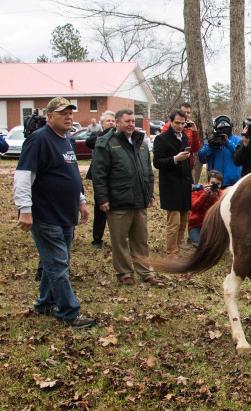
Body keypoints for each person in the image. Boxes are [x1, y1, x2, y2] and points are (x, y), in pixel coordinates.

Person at [13, 97, 95, 328]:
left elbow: (71, 176)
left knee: (58, 262)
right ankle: (69, 312)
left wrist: (81, 200)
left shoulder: (66, 140)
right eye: (63, 113)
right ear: (49, 117)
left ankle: (44, 303)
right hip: (45, 214)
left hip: (66, 214)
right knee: (58, 264)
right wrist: (25, 210)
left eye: (70, 113)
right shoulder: (38, 140)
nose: (69, 117)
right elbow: (23, 177)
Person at [91, 109, 160, 286]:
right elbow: (99, 174)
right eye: (127, 121)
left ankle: (145, 272)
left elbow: (148, 172)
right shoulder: (106, 143)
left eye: (132, 121)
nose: (131, 124)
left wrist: (149, 193)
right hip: (118, 201)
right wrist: (103, 199)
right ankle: (124, 273)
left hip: (139, 201)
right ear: (117, 122)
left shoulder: (141, 142)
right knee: (120, 240)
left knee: (141, 240)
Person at [153, 110, 193, 256]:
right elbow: (157, 162)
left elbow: (188, 163)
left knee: (184, 220)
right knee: (174, 222)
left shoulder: (184, 138)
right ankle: (171, 252)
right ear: (170, 121)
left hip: (184, 184)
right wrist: (175, 159)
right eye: (177, 123)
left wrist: (191, 182)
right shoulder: (161, 139)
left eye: (183, 123)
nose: (180, 126)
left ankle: (180, 245)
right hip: (170, 186)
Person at [84, 110, 115, 249]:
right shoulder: (98, 136)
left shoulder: (118, 137)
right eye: (108, 121)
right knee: (100, 209)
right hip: (101, 178)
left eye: (113, 121)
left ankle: (117, 238)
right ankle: (97, 239)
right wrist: (104, 135)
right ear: (102, 124)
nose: (111, 123)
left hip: (115, 178)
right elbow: (88, 142)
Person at [160, 102, 202, 182]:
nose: (186, 115)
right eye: (184, 112)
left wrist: (194, 132)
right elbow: (164, 145)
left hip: (188, 166)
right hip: (173, 167)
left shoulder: (190, 127)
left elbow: (195, 148)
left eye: (188, 112)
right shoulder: (168, 126)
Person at [198, 115, 242, 188]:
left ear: (231, 127)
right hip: (215, 183)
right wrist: (211, 147)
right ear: (216, 129)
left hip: (234, 184)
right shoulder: (212, 141)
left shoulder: (238, 140)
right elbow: (202, 158)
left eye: (226, 128)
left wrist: (228, 143)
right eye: (221, 128)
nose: (224, 130)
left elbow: (240, 155)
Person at [188, 170, 224, 246]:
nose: (215, 186)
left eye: (218, 184)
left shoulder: (221, 195)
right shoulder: (198, 191)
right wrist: (204, 195)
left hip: (212, 226)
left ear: (221, 185)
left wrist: (214, 198)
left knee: (213, 245)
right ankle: (193, 237)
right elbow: (194, 207)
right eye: (213, 183)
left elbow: (220, 212)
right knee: (198, 244)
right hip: (197, 225)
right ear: (208, 183)